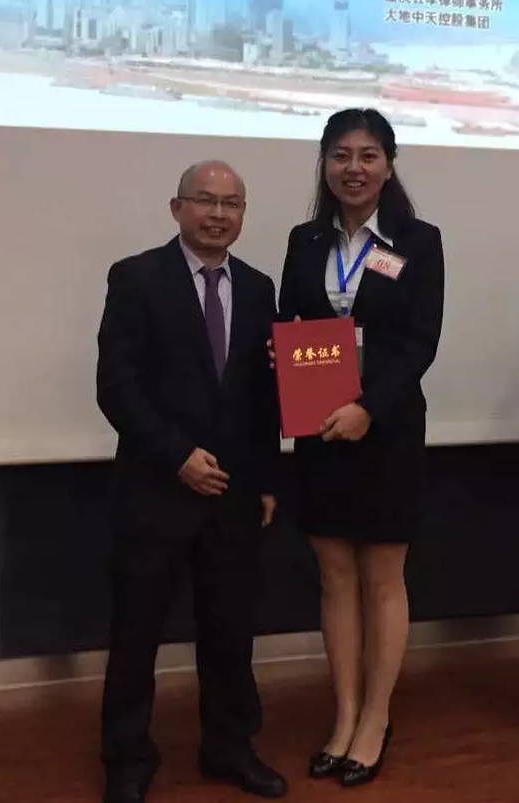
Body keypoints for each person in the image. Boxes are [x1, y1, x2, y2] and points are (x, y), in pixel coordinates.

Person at [96, 160, 287, 803]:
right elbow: (117, 387)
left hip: (233, 493)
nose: (218, 214)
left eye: (231, 204)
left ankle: (229, 748)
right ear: (176, 207)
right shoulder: (136, 278)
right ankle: (126, 758)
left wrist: (266, 480)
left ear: (243, 214)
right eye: (204, 200)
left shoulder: (258, 288)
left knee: (230, 632)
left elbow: (260, 397)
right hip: (155, 488)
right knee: (135, 634)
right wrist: (177, 455)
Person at [276, 108, 444, 787]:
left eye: (368, 155)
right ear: (324, 163)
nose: (354, 168)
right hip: (320, 428)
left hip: (387, 429)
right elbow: (291, 321)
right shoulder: (305, 239)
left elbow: (420, 342)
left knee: (381, 577)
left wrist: (368, 407)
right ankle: (344, 714)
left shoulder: (416, 241)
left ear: (389, 164)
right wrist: (280, 355)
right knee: (335, 575)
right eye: (341, 154)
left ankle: (376, 718)